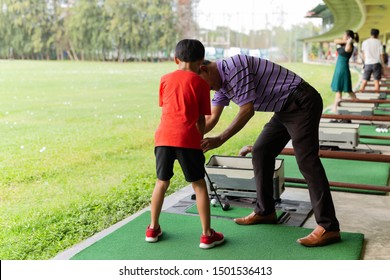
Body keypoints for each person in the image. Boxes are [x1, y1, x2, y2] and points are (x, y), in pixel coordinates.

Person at [199, 54, 340, 247]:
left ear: (204, 69)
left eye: (204, 85)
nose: (207, 90)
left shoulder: (234, 67)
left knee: (307, 162)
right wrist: (187, 134)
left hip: (301, 102)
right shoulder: (221, 83)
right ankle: (265, 211)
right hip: (284, 109)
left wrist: (220, 139)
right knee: (261, 152)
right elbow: (211, 119)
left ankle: (329, 226)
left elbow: (247, 110)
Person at [146, 39, 224, 249]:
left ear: (176, 59)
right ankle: (207, 235)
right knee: (199, 185)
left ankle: (153, 228)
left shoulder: (164, 79)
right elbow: (200, 119)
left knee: (161, 182)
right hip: (187, 140)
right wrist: (198, 140)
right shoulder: (200, 83)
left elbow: (166, 107)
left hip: (163, 138)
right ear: (201, 63)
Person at [330, 30, 359, 113]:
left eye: (344, 35)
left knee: (340, 89)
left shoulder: (349, 45)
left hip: (342, 68)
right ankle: (356, 100)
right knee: (347, 89)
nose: (343, 36)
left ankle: (334, 108)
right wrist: (347, 40)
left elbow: (347, 49)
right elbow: (335, 40)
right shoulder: (344, 42)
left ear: (348, 36)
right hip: (339, 68)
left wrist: (349, 41)